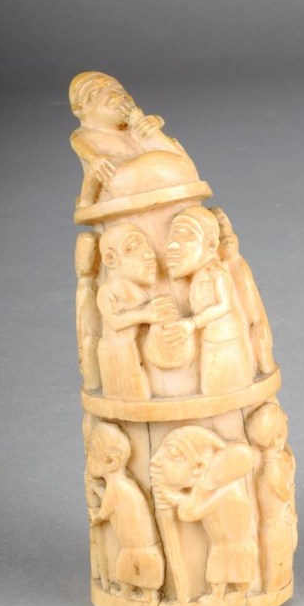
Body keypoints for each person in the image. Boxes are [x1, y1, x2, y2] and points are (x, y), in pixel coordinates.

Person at [150, 426, 257, 602]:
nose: (155, 460)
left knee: (230, 572)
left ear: (199, 467)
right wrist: (179, 497)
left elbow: (188, 513)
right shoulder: (219, 489)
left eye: (173, 453)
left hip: (231, 545)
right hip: (224, 544)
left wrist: (179, 495)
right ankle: (222, 594)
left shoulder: (226, 492)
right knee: (223, 572)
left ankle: (229, 595)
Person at [69, 71, 198, 207]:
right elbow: (84, 150)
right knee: (97, 167)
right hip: (115, 179)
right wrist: (94, 158)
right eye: (97, 92)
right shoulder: (85, 135)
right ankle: (86, 202)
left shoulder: (133, 127)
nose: (114, 94)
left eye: (118, 88)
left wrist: (152, 122)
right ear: (79, 109)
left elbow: (158, 139)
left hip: (161, 181)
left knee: (173, 145)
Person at [162, 206, 254, 395]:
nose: (171, 246)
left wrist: (192, 324)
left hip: (225, 337)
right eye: (170, 238)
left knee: (227, 388)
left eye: (183, 235)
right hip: (211, 338)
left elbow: (224, 304)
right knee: (213, 387)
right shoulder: (199, 274)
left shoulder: (216, 272)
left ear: (211, 244)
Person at [96, 223, 178, 400]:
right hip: (114, 350)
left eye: (147, 245)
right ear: (110, 259)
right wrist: (145, 314)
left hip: (129, 348)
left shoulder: (139, 291)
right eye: (132, 247)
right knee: (125, 396)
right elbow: (115, 321)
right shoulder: (107, 291)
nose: (149, 253)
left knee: (138, 391)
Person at [87, 422, 164, 602]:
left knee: (130, 568)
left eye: (92, 453)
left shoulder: (116, 487)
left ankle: (145, 597)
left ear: (110, 461)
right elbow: (113, 505)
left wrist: (94, 517)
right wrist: (97, 490)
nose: (88, 458)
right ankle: (128, 593)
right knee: (129, 569)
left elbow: (104, 513)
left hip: (135, 547)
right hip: (143, 546)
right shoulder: (125, 484)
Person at [212, 207, 276, 376]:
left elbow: (254, 307)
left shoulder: (237, 266)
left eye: (226, 228)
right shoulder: (217, 271)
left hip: (254, 332)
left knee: (260, 341)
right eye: (220, 234)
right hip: (236, 338)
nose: (226, 237)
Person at [246, 403, 298, 592]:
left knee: (282, 555)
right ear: (277, 436)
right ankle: (272, 589)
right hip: (275, 525)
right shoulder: (272, 469)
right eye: (284, 423)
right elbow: (284, 493)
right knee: (277, 560)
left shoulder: (275, 462)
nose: (287, 421)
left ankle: (275, 586)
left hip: (278, 522)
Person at [75, 232, 102, 391]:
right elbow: (83, 323)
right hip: (89, 342)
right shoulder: (85, 287)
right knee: (89, 343)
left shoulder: (90, 286)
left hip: (92, 341)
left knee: (90, 343)